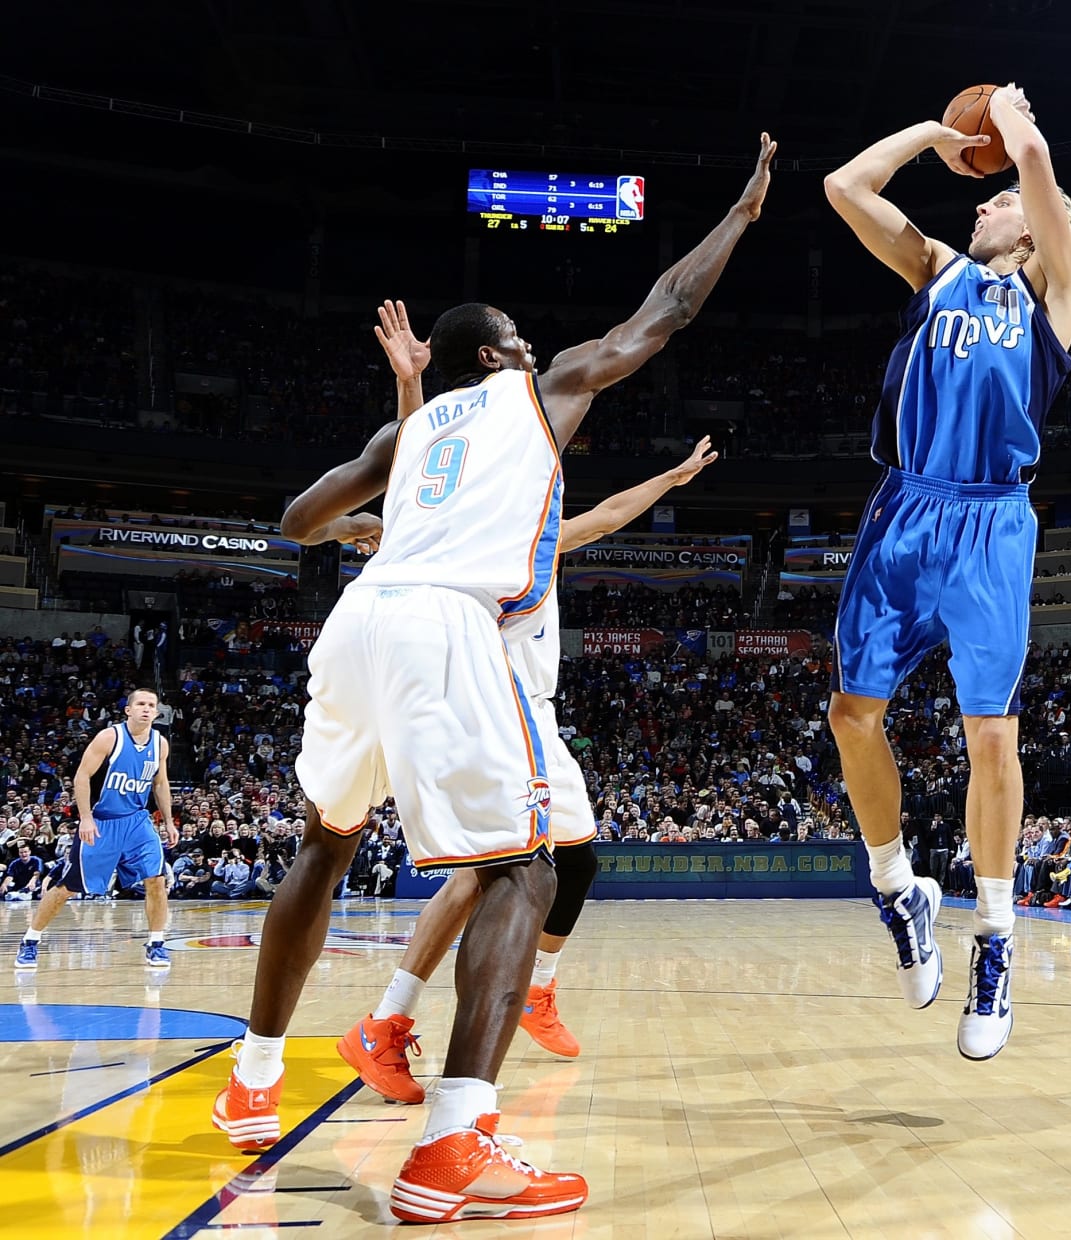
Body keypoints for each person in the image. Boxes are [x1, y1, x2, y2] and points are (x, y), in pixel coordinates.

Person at [209, 137, 775, 1225]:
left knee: (323, 846)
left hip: (360, 615)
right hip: (442, 629)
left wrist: (393, 482)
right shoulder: (538, 388)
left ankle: (255, 1079)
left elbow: (294, 522)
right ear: (497, 357)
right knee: (526, 871)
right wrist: (742, 216)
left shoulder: (406, 430)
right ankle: (454, 1143)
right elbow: (663, 313)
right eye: (515, 342)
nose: (530, 351)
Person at [338, 329, 721, 1102]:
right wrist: (410, 390)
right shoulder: (461, 546)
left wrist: (671, 479)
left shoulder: (533, 542)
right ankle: (388, 1027)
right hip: (486, 711)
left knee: (570, 864)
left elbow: (608, 515)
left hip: (529, 720)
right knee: (495, 878)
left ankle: (524, 993)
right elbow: (416, 481)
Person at [822, 85, 1071, 1060]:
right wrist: (938, 134)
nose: (978, 205)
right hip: (903, 510)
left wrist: (1025, 144)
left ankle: (995, 940)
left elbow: (1049, 205)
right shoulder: (936, 272)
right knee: (852, 716)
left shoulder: (1053, 288)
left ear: (1033, 227)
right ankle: (897, 889)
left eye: (999, 200)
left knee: (991, 736)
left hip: (991, 526)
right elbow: (844, 186)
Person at [15, 688, 177, 970]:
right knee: (69, 887)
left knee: (157, 880)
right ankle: (31, 940)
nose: (147, 708)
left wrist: (169, 821)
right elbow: (82, 777)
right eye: (141, 703)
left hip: (137, 821)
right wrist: (86, 817)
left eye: (152, 705)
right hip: (102, 820)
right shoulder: (110, 737)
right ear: (128, 710)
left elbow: (160, 784)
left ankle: (156, 943)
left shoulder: (160, 743)